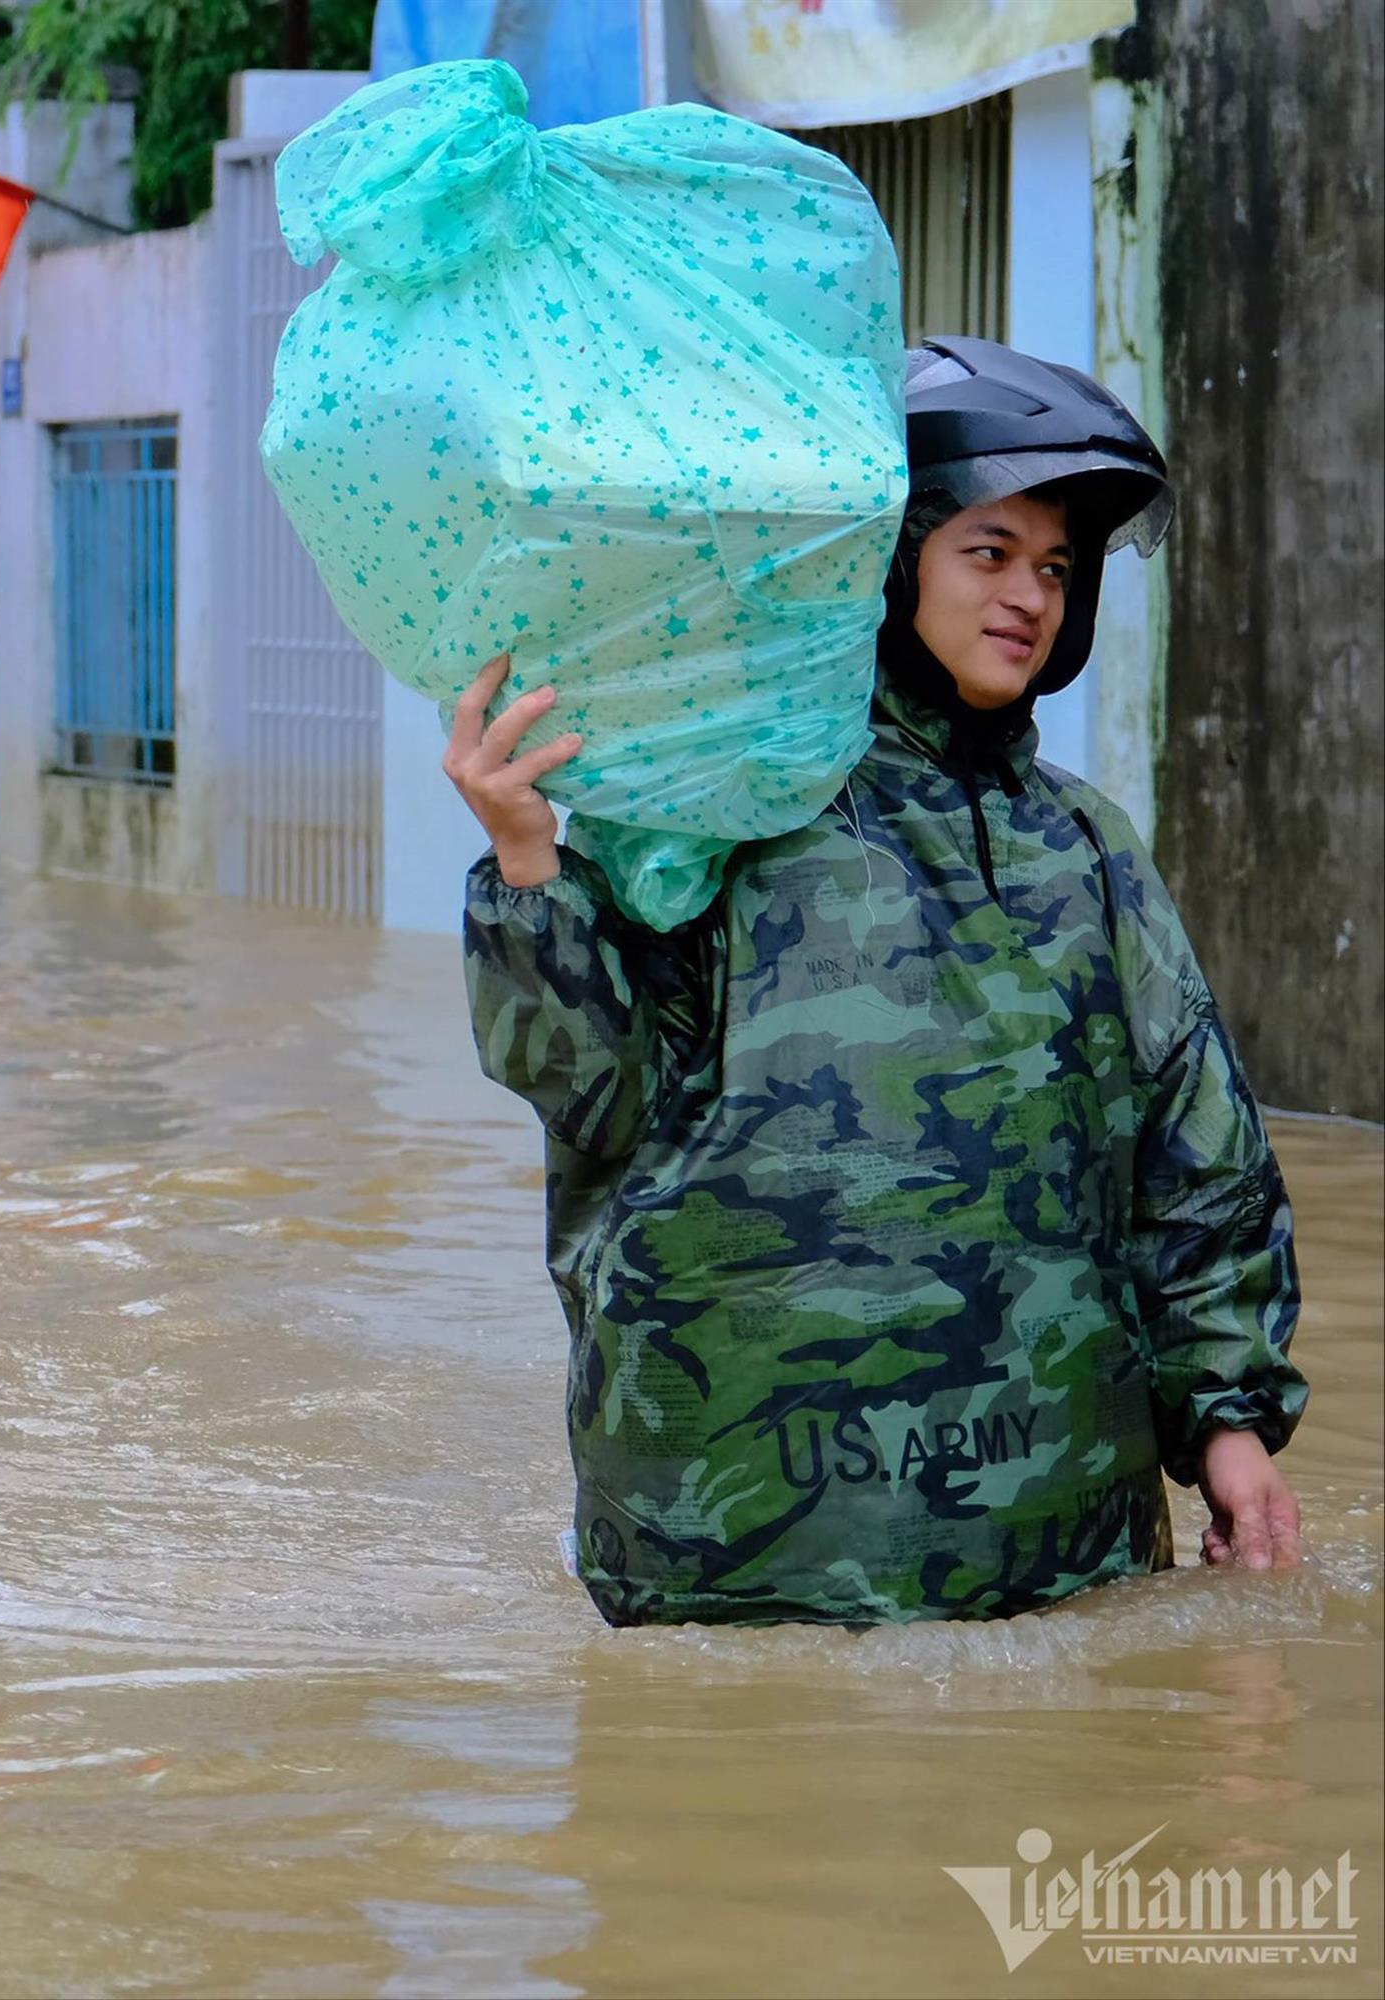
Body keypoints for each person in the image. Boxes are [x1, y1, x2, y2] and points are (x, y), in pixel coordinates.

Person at [451, 337, 1308, 1626]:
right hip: (740, 1564)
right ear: (889, 561)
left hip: (1059, 1561)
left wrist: (1231, 1430)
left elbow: (1198, 1161)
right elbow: (594, 1094)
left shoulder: (1088, 848)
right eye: (990, 550)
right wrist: (528, 864)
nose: (1032, 594)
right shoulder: (729, 810)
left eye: (1057, 568)